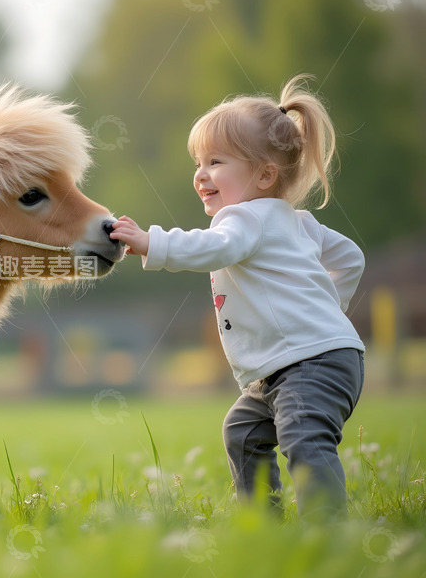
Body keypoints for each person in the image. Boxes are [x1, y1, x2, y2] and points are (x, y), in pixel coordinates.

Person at [110, 75, 365, 521]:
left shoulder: (245, 220)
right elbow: (351, 259)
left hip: (310, 363)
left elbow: (213, 247)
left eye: (215, 161)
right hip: (298, 363)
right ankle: (262, 521)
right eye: (198, 162)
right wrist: (330, 311)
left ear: (265, 174)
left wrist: (151, 241)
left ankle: (327, 528)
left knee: (304, 438)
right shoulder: (298, 222)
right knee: (243, 431)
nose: (200, 174)